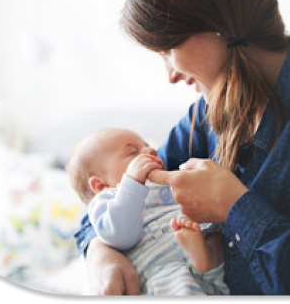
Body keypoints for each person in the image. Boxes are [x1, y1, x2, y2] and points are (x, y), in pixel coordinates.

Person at [74, 0, 290, 296]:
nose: (171, 75)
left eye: (168, 49)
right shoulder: (204, 116)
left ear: (216, 24)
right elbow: (110, 192)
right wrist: (100, 254)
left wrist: (236, 207)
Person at [66, 127, 229, 296]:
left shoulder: (168, 180)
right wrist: (132, 182)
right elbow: (119, 236)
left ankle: (202, 256)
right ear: (100, 185)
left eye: (147, 145)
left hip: (202, 271)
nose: (151, 150)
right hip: (157, 277)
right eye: (133, 152)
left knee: (214, 248)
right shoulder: (107, 200)